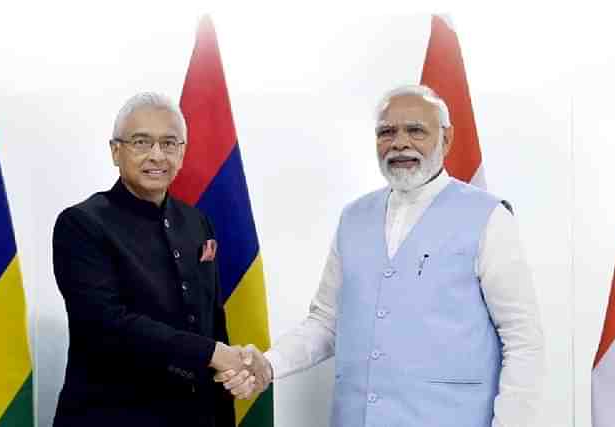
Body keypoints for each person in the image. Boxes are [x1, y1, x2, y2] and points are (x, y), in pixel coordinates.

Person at [219, 84, 545, 426]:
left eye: (415, 130)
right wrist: (270, 364)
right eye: (386, 132)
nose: (399, 142)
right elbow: (325, 322)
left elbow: (522, 338)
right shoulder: (353, 217)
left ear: (446, 140)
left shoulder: (488, 216)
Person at [52, 93, 254, 427]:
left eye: (169, 143)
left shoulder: (197, 222)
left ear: (182, 152)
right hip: (112, 416)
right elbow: (106, 324)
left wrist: (229, 374)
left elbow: (212, 321)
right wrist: (210, 353)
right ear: (116, 151)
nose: (156, 155)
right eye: (141, 142)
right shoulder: (81, 223)